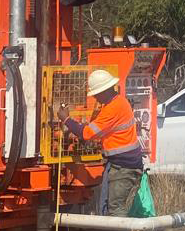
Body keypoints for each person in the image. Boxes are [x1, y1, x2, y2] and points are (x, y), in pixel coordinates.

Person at [61, 68, 144, 218]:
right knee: (106, 204)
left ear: (104, 91)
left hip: (123, 167)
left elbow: (87, 133)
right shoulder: (119, 102)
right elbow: (101, 130)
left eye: (96, 95)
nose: (96, 98)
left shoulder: (112, 109)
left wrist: (66, 119)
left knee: (116, 208)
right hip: (119, 163)